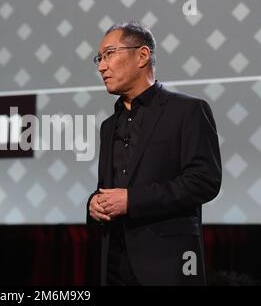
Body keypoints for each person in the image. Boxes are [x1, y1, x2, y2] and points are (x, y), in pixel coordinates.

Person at [87, 21, 222, 286]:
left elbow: (203, 182)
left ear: (142, 55)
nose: (102, 66)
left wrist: (131, 201)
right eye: (99, 58)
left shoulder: (188, 111)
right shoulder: (108, 126)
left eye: (110, 54)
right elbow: (109, 188)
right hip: (113, 265)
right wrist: (94, 203)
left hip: (168, 266)